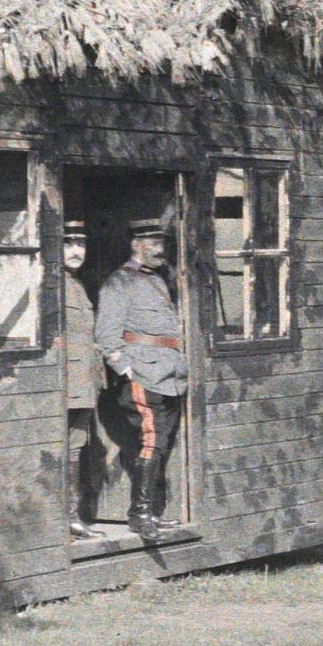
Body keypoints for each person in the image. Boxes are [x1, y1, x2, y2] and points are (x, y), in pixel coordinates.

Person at [94, 216, 187, 543]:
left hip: (171, 375)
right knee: (150, 441)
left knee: (161, 444)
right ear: (136, 245)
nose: (160, 250)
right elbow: (107, 335)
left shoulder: (159, 280)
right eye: (153, 244)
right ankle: (140, 514)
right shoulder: (119, 282)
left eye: (162, 244)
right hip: (143, 374)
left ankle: (154, 512)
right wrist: (126, 368)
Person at [57, 218, 99, 541]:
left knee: (76, 446)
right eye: (68, 244)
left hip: (83, 381)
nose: (75, 251)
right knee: (65, 448)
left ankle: (73, 515)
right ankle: (65, 517)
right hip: (65, 381)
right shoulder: (53, 285)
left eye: (80, 244)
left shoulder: (77, 284)